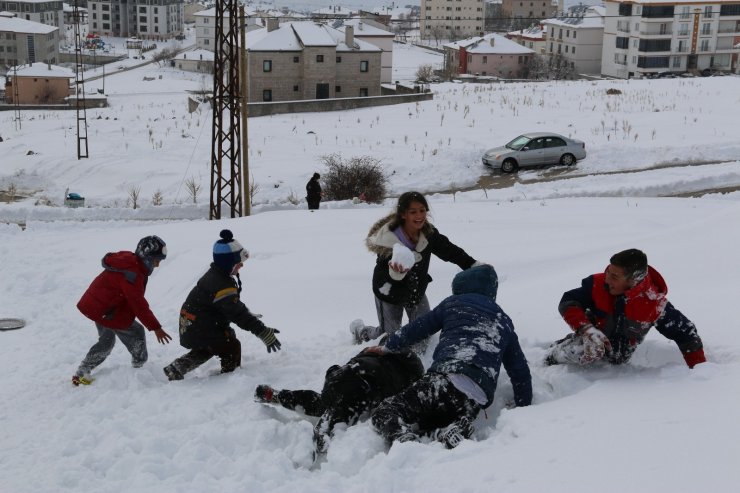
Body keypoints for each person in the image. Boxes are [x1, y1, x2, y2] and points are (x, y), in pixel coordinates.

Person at [370, 264, 532, 449]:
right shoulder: (504, 322)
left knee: (386, 410)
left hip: (444, 378)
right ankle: (451, 430)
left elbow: (419, 328)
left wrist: (388, 347)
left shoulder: (453, 303)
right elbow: (519, 370)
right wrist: (523, 404)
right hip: (474, 398)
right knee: (431, 422)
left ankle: (400, 435)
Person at [350, 191, 480, 345]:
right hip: (389, 290)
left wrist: (471, 264)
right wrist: (397, 272)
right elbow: (389, 273)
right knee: (388, 337)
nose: (419, 215)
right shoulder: (388, 239)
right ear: (403, 214)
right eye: (413, 212)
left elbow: (448, 250)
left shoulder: (428, 233)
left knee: (423, 332)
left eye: (422, 210)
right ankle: (361, 332)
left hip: (415, 288)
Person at [544, 248, 706, 368]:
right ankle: (550, 357)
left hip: (617, 362)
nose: (607, 279)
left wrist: (698, 371)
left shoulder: (654, 305)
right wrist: (586, 329)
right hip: (587, 343)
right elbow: (568, 302)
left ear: (634, 280)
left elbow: (686, 333)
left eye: (614, 276)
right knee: (569, 352)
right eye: (608, 271)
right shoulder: (597, 284)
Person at [254, 348, 424, 454]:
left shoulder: (373, 354)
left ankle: (279, 396)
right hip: (366, 384)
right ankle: (322, 433)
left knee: (324, 403)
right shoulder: (404, 377)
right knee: (343, 411)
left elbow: (355, 359)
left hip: (338, 376)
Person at [163, 230, 281, 381]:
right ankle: (228, 380)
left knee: (213, 344)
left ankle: (178, 367)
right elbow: (237, 314)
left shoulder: (216, 274)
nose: (241, 267)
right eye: (238, 264)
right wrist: (262, 331)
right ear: (228, 264)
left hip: (191, 324)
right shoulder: (222, 283)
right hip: (199, 327)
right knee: (231, 346)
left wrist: (250, 316)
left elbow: (234, 306)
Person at [73, 235, 172, 386]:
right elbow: (138, 304)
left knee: (106, 341)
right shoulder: (132, 274)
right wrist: (156, 327)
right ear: (145, 257)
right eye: (156, 260)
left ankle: (83, 370)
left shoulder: (130, 261)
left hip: (100, 306)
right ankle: (139, 368)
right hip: (107, 310)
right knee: (136, 332)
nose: (157, 265)